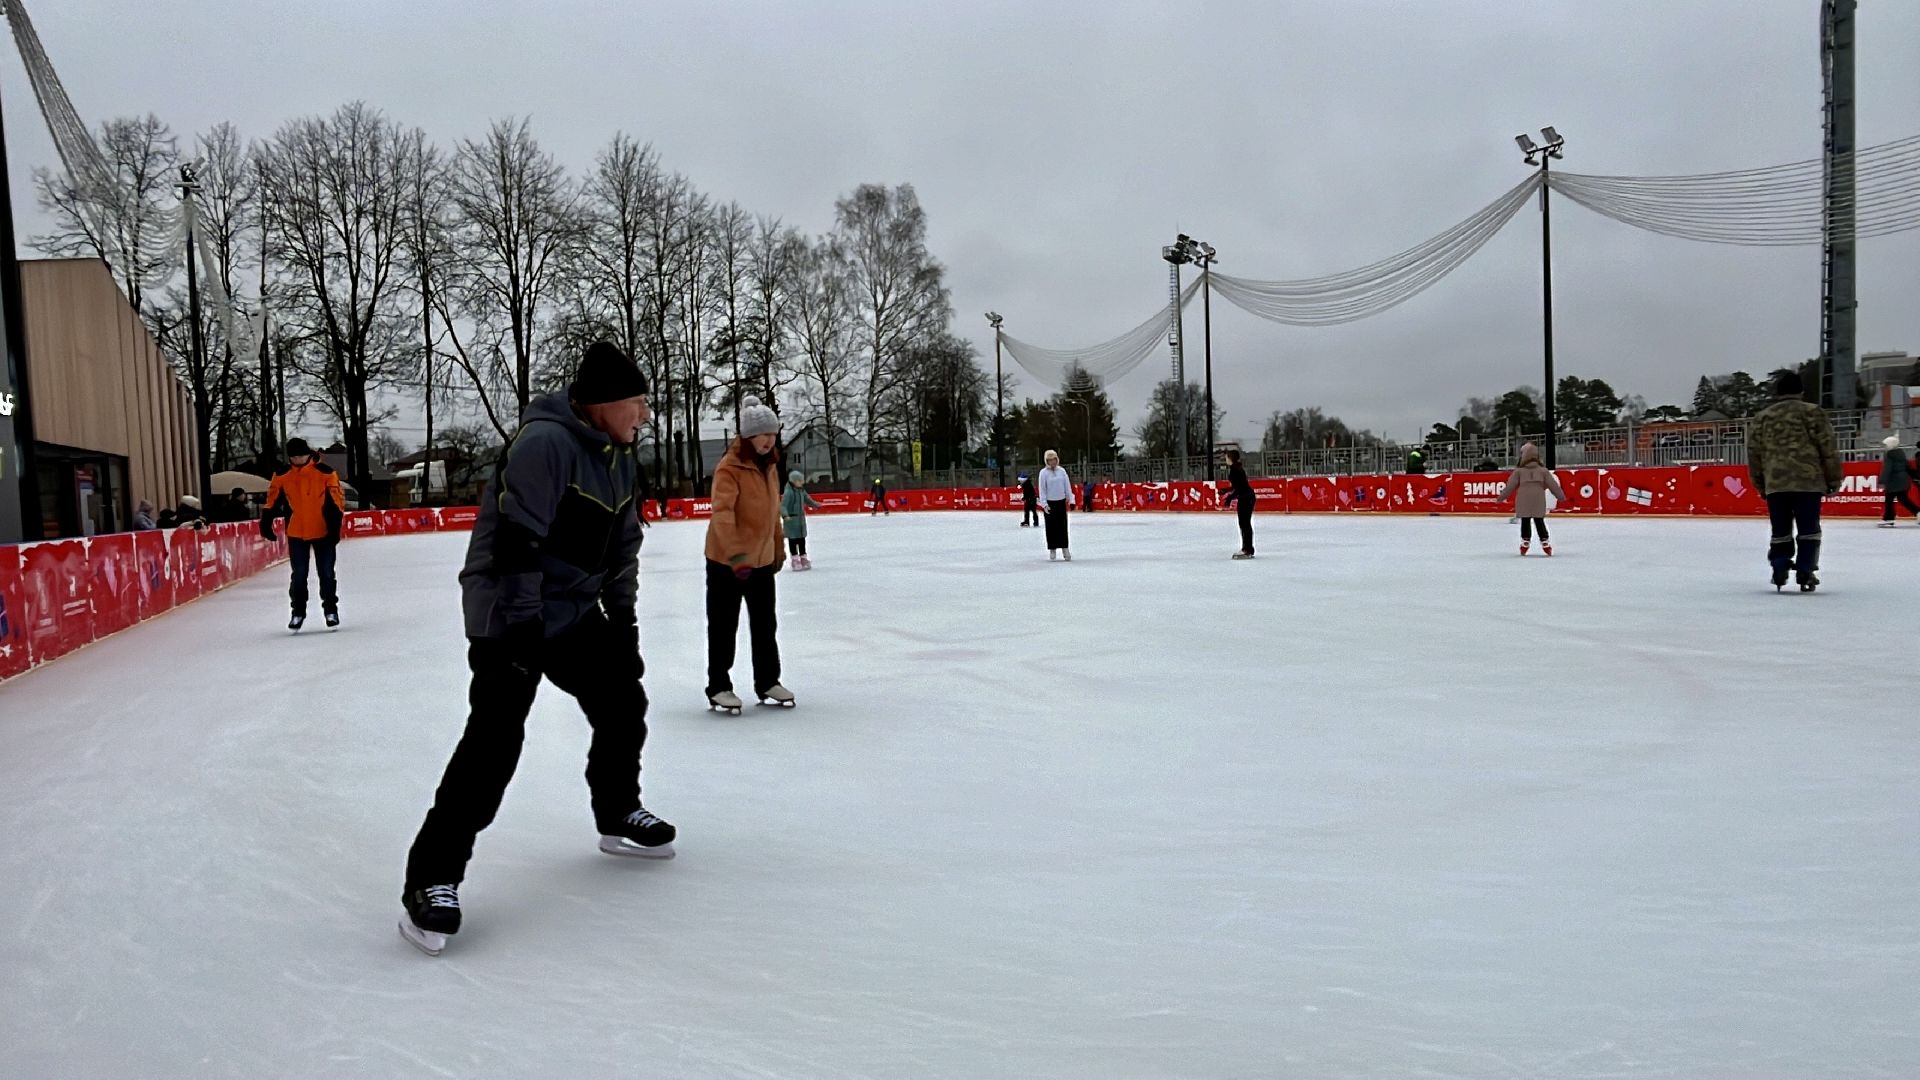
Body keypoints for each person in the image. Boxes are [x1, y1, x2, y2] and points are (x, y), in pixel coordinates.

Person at [400, 341, 659, 956]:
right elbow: (516, 544)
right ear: (602, 403)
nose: (645, 415)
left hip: (569, 611)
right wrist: (519, 633)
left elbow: (623, 548)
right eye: (637, 402)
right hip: (506, 612)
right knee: (494, 742)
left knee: (623, 700)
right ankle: (431, 880)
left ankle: (618, 812)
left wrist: (621, 625)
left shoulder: (620, 455)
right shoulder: (544, 444)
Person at [705, 397, 793, 712]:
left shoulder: (770, 466)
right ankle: (718, 685)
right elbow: (723, 515)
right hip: (726, 562)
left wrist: (778, 547)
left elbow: (773, 513)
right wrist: (736, 557)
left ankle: (768, 681)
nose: (769, 440)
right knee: (723, 625)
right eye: (763, 435)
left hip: (760, 561)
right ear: (748, 437)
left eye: (773, 434)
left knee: (764, 624)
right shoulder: (730, 467)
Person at [1747, 369, 1841, 592]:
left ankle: (1779, 566)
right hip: (1808, 481)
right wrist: (1833, 478)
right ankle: (1806, 570)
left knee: (1780, 529)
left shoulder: (1763, 418)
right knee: (1809, 528)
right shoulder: (1813, 413)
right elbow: (1827, 448)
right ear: (1801, 391)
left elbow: (1754, 453)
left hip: (1776, 482)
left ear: (1778, 392)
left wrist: (1760, 483)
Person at [262, 439, 347, 631]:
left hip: (323, 531)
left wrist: (334, 529)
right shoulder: (282, 475)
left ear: (308, 454)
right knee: (299, 574)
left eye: (300, 455)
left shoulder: (325, 472)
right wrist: (266, 522)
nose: (297, 459)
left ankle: (330, 610)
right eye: (293, 456)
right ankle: (297, 612)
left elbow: (337, 502)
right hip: (296, 532)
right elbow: (272, 499)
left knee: (326, 573)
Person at [1499, 442, 1565, 556]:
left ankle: (1525, 541)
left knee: (1525, 520)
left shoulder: (1519, 471)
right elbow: (1553, 485)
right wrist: (1560, 496)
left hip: (1523, 499)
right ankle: (1545, 542)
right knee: (1539, 520)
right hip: (1538, 499)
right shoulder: (1543, 470)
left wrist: (1501, 497)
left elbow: (1510, 486)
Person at [1037, 448, 1073, 561]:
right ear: (1046, 461)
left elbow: (1067, 486)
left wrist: (1071, 500)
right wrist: (1044, 504)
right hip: (1050, 504)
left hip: (1061, 502)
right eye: (1050, 460)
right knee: (1051, 527)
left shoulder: (1062, 471)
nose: (1052, 462)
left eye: (1054, 459)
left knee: (1062, 527)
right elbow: (1042, 489)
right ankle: (1052, 549)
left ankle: (1065, 548)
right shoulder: (1043, 473)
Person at [781, 469, 822, 570]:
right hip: (791, 520)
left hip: (800, 520)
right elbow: (783, 506)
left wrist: (815, 505)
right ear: (793, 481)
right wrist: (785, 515)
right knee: (793, 540)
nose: (802, 482)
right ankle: (795, 559)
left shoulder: (801, 491)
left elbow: (807, 499)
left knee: (802, 539)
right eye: (799, 481)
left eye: (801, 480)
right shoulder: (788, 493)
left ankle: (803, 557)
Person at [1221, 448, 1257, 559]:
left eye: (1227, 457)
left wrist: (1229, 498)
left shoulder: (1235, 470)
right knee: (1245, 523)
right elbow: (1238, 486)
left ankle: (1247, 549)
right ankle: (1248, 548)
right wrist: (1226, 491)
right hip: (1247, 497)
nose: (1225, 459)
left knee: (1244, 523)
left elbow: (1240, 487)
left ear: (1230, 458)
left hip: (1246, 498)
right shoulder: (1237, 468)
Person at [1879, 434, 1918, 528]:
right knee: (1903, 499)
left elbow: (1887, 469)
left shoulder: (1889, 454)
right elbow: (1907, 466)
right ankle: (1918, 512)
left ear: (1890, 445)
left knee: (1889, 499)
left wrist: (1882, 481)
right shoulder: (1901, 453)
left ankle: (1888, 519)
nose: (1885, 446)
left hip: (1894, 481)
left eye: (1886, 444)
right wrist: (1915, 477)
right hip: (1904, 481)